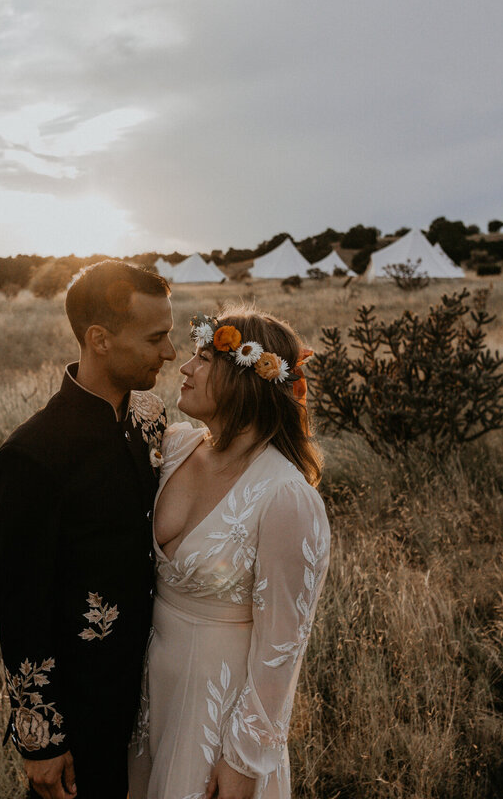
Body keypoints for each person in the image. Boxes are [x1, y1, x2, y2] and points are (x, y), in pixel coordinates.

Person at [0, 260, 176, 799]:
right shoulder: (32, 456)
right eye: (156, 337)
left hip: (158, 686)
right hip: (84, 703)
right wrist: (40, 739)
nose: (169, 352)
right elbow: (21, 603)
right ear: (99, 339)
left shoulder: (151, 418)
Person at [129, 308, 330, 799]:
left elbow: (283, 646)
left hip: (217, 705)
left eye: (202, 357)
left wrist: (243, 757)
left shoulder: (286, 496)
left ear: (247, 376)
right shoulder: (174, 448)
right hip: (151, 688)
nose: (185, 367)